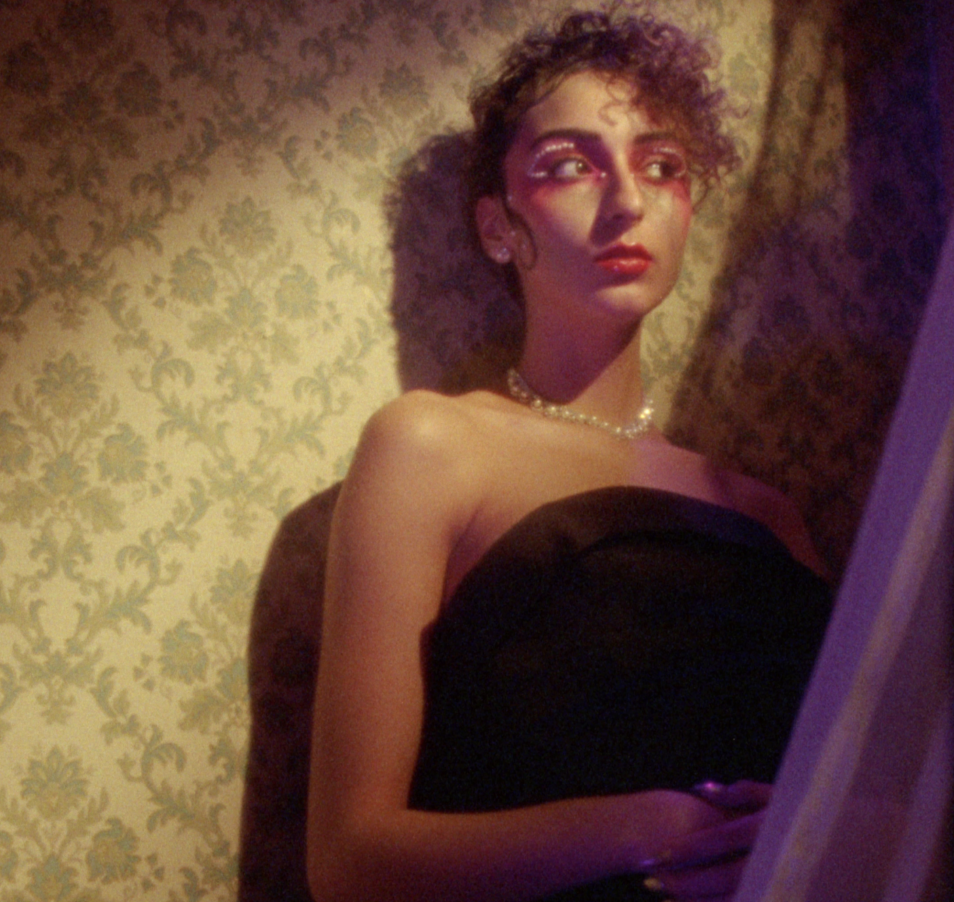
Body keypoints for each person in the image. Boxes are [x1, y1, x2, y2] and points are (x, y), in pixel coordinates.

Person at [305, 8, 833, 902]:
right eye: (568, 166)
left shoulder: (767, 513)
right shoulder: (431, 445)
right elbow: (351, 861)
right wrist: (651, 831)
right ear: (498, 227)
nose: (628, 202)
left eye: (661, 166)